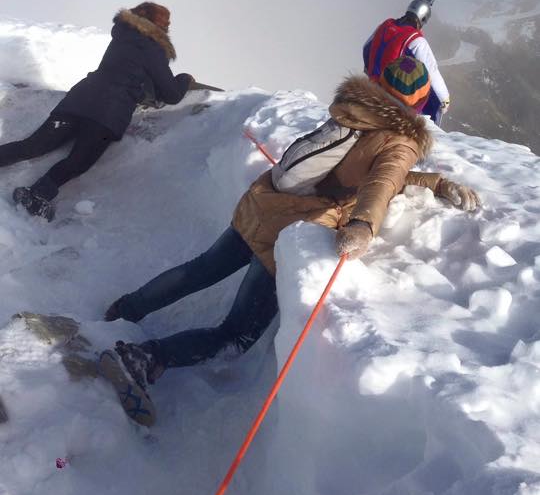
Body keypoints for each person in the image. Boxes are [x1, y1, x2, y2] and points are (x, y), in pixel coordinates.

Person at [100, 56, 479, 425]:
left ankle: (125, 310)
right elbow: (382, 182)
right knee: (235, 335)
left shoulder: (355, 110)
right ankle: (142, 358)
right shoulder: (401, 141)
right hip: (289, 229)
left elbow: (371, 173)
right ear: (418, 101)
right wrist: (363, 225)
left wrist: (432, 181)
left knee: (200, 269)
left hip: (261, 204)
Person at [1, 2, 195, 221]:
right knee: (78, 161)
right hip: (108, 112)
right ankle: (37, 194)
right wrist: (184, 80)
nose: (168, 25)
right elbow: (170, 94)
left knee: (34, 145)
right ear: (156, 23)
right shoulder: (153, 48)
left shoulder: (122, 37)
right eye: (165, 21)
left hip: (79, 100)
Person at [363, 0, 450, 124]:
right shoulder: (416, 40)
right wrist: (444, 99)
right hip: (393, 96)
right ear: (423, 19)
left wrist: (369, 70)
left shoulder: (386, 25)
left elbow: (366, 47)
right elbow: (432, 71)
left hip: (372, 85)